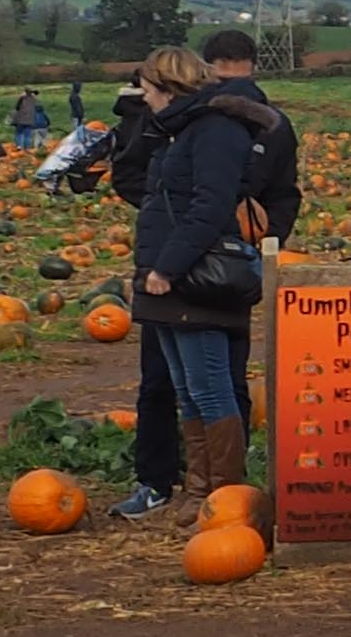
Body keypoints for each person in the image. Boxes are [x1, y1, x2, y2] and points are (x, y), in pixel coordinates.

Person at [131, 31, 295, 523]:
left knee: (209, 386)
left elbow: (210, 207)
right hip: (170, 275)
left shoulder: (214, 130)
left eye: (145, 88)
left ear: (166, 85)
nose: (141, 97)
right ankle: (198, 489)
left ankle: (226, 494)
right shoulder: (178, 131)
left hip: (197, 276)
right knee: (186, 388)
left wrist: (167, 266)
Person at [95, 47, 205, 517]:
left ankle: (217, 483)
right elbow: (127, 174)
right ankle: (158, 479)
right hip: (160, 259)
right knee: (160, 377)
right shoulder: (146, 122)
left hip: (208, 262)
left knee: (211, 379)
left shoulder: (216, 125)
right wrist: (164, 208)